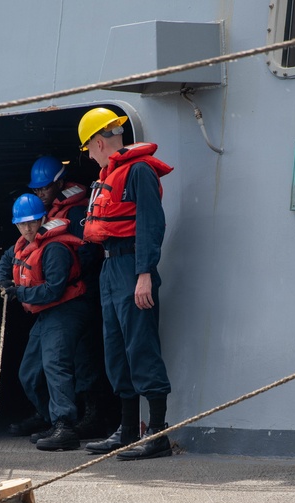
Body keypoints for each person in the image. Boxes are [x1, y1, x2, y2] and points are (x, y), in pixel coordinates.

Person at [76, 107, 174, 461]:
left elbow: (151, 223)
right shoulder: (110, 175)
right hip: (110, 268)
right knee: (116, 351)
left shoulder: (138, 171)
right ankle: (128, 430)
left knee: (141, 348)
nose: (89, 156)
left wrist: (145, 272)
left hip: (133, 266)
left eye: (88, 149)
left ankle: (159, 434)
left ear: (99, 143)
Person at [0, 193, 91, 451]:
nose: (27, 228)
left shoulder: (55, 248)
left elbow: (54, 290)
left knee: (55, 365)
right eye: (22, 223)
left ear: (43, 219)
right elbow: (5, 262)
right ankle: (52, 419)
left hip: (66, 310)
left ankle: (65, 426)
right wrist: (2, 280)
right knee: (29, 372)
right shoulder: (22, 244)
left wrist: (20, 293)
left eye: (33, 222)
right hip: (47, 314)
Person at [29, 155, 106, 440]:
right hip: (56, 299)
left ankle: (92, 416)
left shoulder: (74, 214)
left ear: (59, 183)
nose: (40, 194)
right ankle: (52, 416)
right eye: (36, 190)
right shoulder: (48, 215)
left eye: (45, 188)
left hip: (80, 295)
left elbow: (87, 253)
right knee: (44, 363)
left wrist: (63, 279)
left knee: (84, 358)